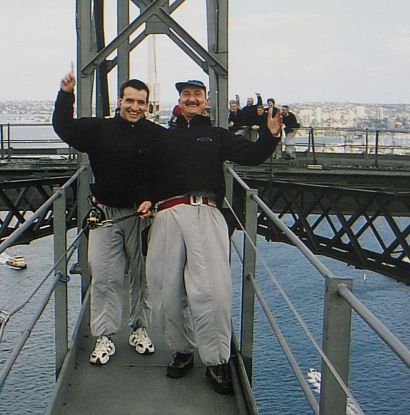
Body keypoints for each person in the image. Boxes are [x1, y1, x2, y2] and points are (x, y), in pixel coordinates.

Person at [146, 79, 282, 394]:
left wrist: (270, 134)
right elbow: (143, 171)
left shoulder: (218, 136)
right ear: (179, 100)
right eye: (186, 94)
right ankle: (182, 351)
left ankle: (216, 360)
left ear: (207, 101)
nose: (191, 99)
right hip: (166, 214)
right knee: (166, 292)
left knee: (213, 292)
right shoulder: (164, 137)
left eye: (197, 94)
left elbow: (252, 155)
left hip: (205, 211)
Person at [53, 71, 162, 365]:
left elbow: (169, 171)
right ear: (119, 101)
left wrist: (151, 197)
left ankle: (139, 329)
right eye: (130, 100)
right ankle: (104, 334)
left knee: (143, 277)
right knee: (103, 276)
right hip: (105, 214)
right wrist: (66, 95)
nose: (135, 107)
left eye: (141, 102)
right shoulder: (98, 129)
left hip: (141, 217)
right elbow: (63, 127)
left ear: (147, 105)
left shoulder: (156, 135)